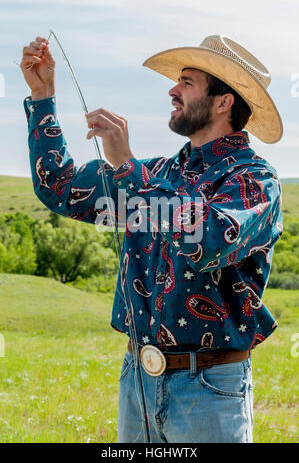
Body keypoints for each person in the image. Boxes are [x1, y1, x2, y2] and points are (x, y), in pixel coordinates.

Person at [20, 34, 283, 443]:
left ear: (223, 101)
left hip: (210, 388)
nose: (172, 90)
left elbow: (208, 238)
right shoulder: (156, 173)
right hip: (137, 379)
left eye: (187, 82)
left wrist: (126, 166)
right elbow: (59, 187)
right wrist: (42, 97)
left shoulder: (255, 181)